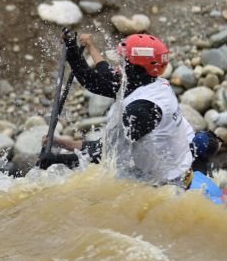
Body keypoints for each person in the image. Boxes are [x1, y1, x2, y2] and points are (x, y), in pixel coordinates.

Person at [40, 31, 195, 186]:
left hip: (168, 183)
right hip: (163, 167)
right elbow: (94, 80)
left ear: (136, 68)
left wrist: (58, 160)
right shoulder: (146, 82)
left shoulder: (141, 110)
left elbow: (105, 154)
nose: (118, 66)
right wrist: (72, 49)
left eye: (123, 62)